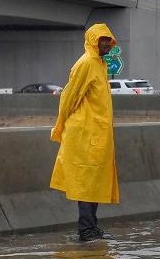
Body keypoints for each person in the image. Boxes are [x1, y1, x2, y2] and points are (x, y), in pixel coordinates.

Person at [50, 23, 120, 242]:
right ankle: (86, 229)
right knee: (86, 182)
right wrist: (61, 125)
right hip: (85, 133)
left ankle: (92, 226)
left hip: (96, 133)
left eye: (108, 39)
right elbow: (69, 97)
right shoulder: (87, 63)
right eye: (103, 40)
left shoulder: (99, 63)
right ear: (93, 40)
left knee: (95, 180)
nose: (107, 43)